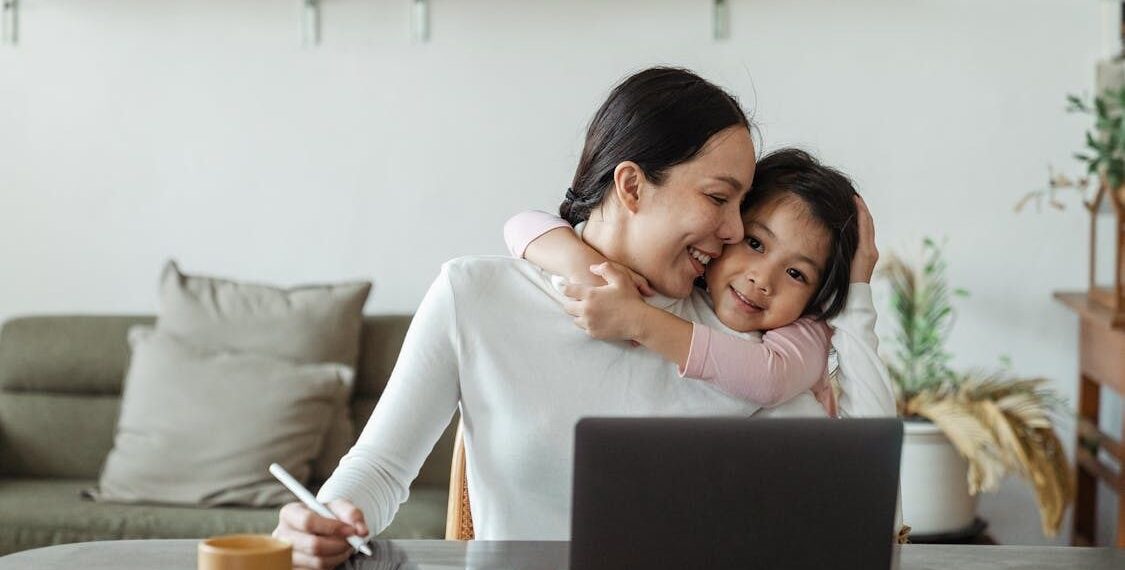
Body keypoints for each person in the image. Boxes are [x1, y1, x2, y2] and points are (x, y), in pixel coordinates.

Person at [272, 67, 894, 570]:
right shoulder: (475, 295)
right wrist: (325, 518)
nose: (733, 231)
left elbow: (866, 501)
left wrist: (858, 292)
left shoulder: (741, 339)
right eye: (717, 197)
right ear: (631, 186)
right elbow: (380, 469)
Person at [503, 148, 869, 416]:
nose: (762, 279)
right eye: (754, 243)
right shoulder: (687, 283)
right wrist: (588, 269)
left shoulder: (807, 330)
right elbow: (521, 224)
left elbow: (769, 379)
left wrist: (638, 321)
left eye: (796, 274)